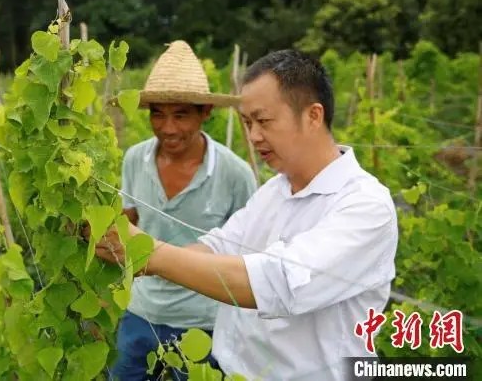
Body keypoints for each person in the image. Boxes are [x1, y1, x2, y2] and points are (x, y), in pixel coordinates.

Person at [93, 49, 399, 381]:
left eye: (264, 121)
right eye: (247, 122)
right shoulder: (275, 191)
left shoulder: (366, 206)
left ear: (313, 116)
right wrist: (132, 254)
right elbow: (219, 246)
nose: (252, 136)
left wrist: (149, 253)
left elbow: (274, 281)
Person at [111, 40, 258, 381]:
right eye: (158, 114)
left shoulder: (234, 174)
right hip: (139, 314)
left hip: (203, 324)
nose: (168, 128)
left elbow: (249, 256)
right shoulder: (135, 158)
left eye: (181, 115)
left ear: (205, 112)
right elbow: (127, 220)